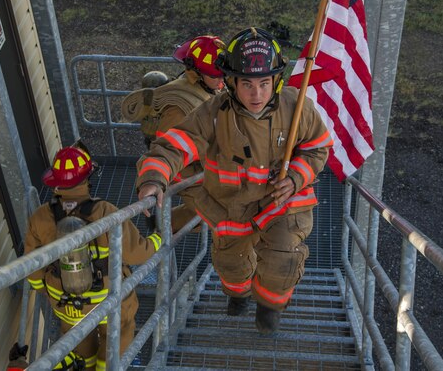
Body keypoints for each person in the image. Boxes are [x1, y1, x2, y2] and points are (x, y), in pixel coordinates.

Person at [135, 27, 333, 334]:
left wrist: (296, 178)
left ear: (276, 81)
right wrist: (153, 179)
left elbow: (317, 146)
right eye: (247, 84)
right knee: (231, 267)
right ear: (231, 83)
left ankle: (269, 308)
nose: (257, 94)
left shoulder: (296, 108)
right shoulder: (214, 114)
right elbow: (175, 144)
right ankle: (238, 294)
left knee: (282, 261)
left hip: (280, 203)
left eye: (265, 83)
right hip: (230, 208)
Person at [24, 145, 162, 370]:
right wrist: (159, 239)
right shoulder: (105, 212)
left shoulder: (40, 216)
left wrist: (50, 292)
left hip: (67, 305)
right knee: (116, 342)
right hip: (110, 302)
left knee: (80, 351)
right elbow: (137, 253)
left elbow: (32, 269)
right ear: (88, 179)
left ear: (56, 183)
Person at [122, 35, 226, 232]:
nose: (221, 82)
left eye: (223, 75)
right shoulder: (179, 107)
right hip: (186, 173)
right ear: (197, 73)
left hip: (203, 167)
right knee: (219, 215)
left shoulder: (206, 90)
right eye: (215, 76)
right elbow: (171, 147)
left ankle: (163, 225)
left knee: (218, 211)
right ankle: (162, 228)